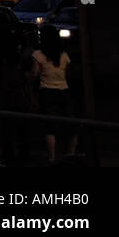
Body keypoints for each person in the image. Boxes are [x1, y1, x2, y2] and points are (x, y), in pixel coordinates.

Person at [31, 31, 77, 163]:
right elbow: (67, 72)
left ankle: (52, 157)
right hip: (64, 90)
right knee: (70, 123)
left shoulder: (38, 54)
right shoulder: (63, 54)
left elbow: (35, 74)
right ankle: (71, 154)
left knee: (49, 126)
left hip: (47, 91)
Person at [0, 39, 35, 167]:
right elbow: (28, 80)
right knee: (23, 130)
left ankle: (8, 157)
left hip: (5, 96)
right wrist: (30, 97)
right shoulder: (21, 60)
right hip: (20, 96)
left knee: (6, 130)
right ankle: (24, 157)